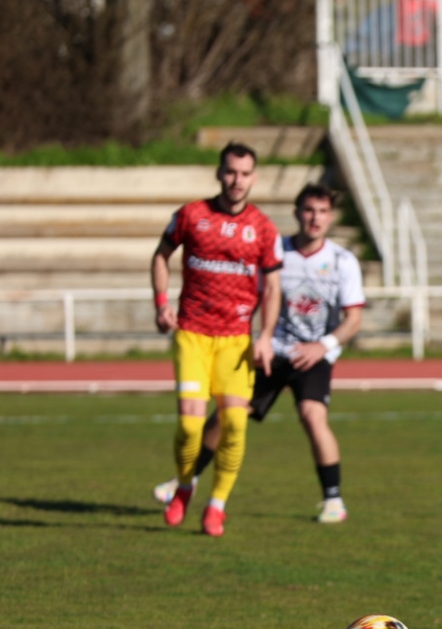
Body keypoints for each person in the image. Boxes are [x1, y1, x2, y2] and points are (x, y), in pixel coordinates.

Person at [154, 184, 366, 522]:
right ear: (297, 212)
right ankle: (187, 479)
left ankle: (333, 500)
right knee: (228, 414)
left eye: (323, 212)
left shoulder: (343, 261)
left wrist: (322, 346)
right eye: (309, 210)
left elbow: (353, 320)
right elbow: (252, 297)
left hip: (312, 356)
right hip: (271, 351)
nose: (315, 218)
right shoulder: (275, 249)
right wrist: (254, 339)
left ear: (331, 217)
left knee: (313, 416)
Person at [152, 142, 283, 538]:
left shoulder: (263, 228)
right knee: (191, 428)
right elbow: (161, 256)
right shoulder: (191, 215)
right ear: (218, 173)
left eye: (244, 173)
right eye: (230, 172)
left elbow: (273, 287)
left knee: (235, 427)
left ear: (254, 178)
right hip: (192, 335)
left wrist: (265, 336)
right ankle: (185, 486)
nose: (236, 180)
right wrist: (161, 305)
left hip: (235, 343)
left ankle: (217, 506)